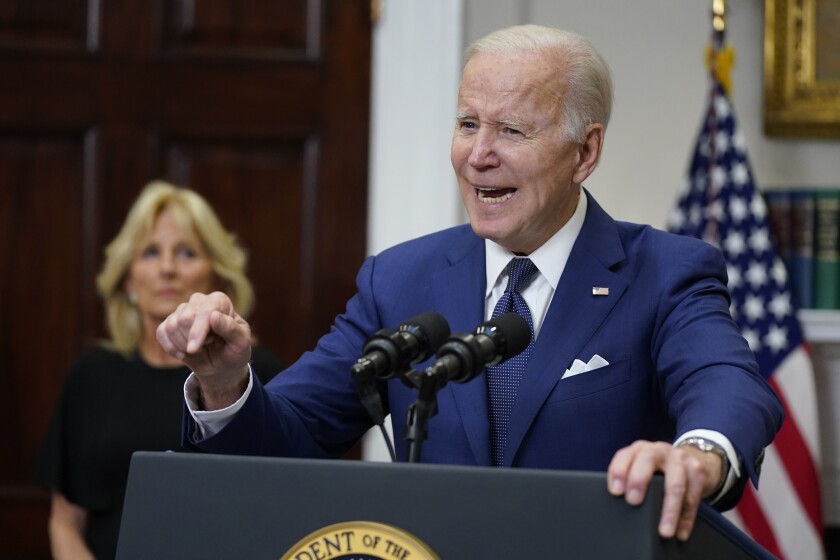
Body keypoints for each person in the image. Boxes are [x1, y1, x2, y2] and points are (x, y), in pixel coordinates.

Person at [157, 25, 784, 543]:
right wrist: (224, 383)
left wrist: (698, 455)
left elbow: (726, 384)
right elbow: (289, 437)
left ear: (584, 153)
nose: (478, 154)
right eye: (467, 124)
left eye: (511, 130)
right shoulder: (400, 279)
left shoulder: (663, 272)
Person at [33, 181, 285, 559]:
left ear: (214, 277)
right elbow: (65, 520)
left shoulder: (255, 372)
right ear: (130, 279)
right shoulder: (91, 374)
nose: (167, 269)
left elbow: (282, 511)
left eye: (186, 253)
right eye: (151, 253)